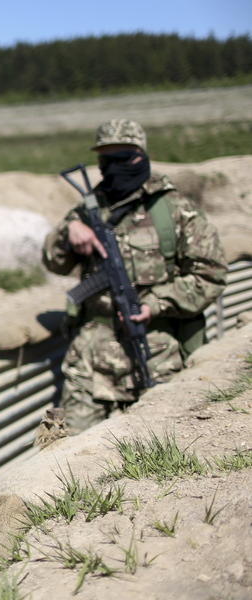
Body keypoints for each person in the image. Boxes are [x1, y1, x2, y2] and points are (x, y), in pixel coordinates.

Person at [42, 119, 227, 435]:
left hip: (157, 355)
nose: (114, 169)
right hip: (91, 362)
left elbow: (211, 275)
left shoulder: (176, 212)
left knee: (160, 450)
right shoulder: (87, 210)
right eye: (106, 160)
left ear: (142, 155)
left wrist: (156, 303)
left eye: (124, 159)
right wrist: (67, 232)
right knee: (69, 456)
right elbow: (53, 262)